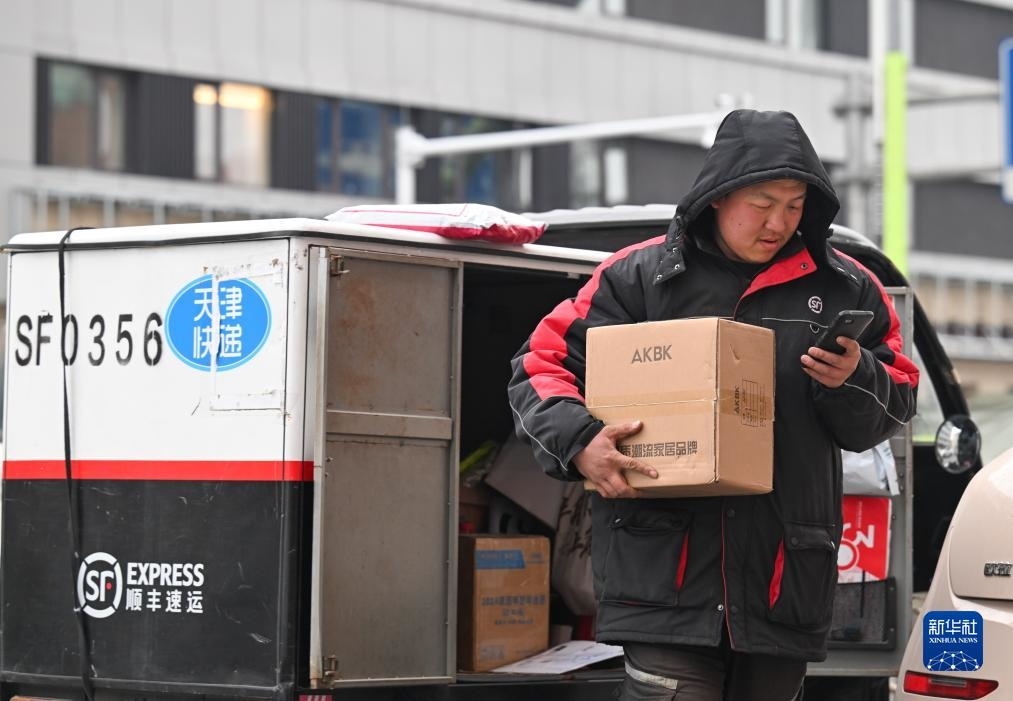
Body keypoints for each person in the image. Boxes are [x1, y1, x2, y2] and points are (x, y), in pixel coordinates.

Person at [507, 109, 918, 701]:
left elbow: (897, 401)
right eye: (762, 202)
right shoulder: (639, 276)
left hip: (783, 581)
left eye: (795, 205)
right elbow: (539, 364)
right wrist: (580, 442)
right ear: (720, 195)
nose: (778, 222)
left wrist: (857, 377)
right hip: (663, 576)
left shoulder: (847, 287)